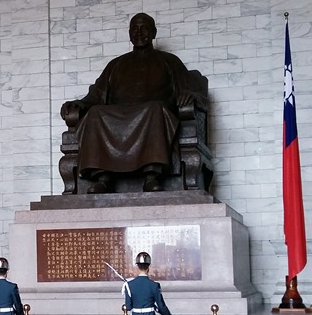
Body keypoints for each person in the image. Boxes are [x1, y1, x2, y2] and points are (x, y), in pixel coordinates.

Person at [60, 12, 204, 194]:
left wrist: (190, 95)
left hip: (152, 113)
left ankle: (151, 176)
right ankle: (103, 177)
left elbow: (193, 90)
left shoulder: (169, 61)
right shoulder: (116, 64)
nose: (139, 33)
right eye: (134, 29)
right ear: (129, 34)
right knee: (95, 112)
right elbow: (96, 95)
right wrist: (79, 104)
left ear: (154, 32)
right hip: (118, 114)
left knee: (155, 108)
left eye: (144, 28)